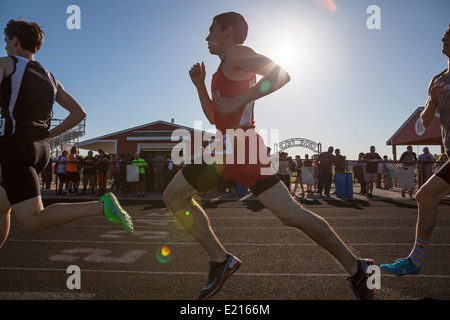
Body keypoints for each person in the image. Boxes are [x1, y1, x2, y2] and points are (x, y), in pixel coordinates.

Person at [162, 12, 374, 300]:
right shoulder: (221, 69)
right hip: (234, 145)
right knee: (292, 215)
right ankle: (357, 268)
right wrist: (200, 86)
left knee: (174, 196)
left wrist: (240, 98)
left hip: (237, 146)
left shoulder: (238, 53)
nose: (206, 36)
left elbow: (280, 74)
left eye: (210, 29)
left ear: (228, 31)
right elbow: (215, 117)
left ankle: (220, 260)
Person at [0, 19, 134, 250]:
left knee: (32, 220)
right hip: (40, 150)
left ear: (15, 39)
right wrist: (48, 136)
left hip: (16, 148)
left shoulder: (6, 63)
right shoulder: (51, 79)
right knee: (3, 206)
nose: (4, 45)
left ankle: (100, 206)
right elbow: (79, 112)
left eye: (5, 40)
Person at [381, 25, 450, 276]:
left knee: (425, 196)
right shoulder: (438, 79)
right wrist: (432, 100)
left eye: (448, 34)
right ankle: (415, 260)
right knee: (425, 197)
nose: (442, 37)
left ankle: (415, 260)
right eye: (442, 34)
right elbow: (427, 120)